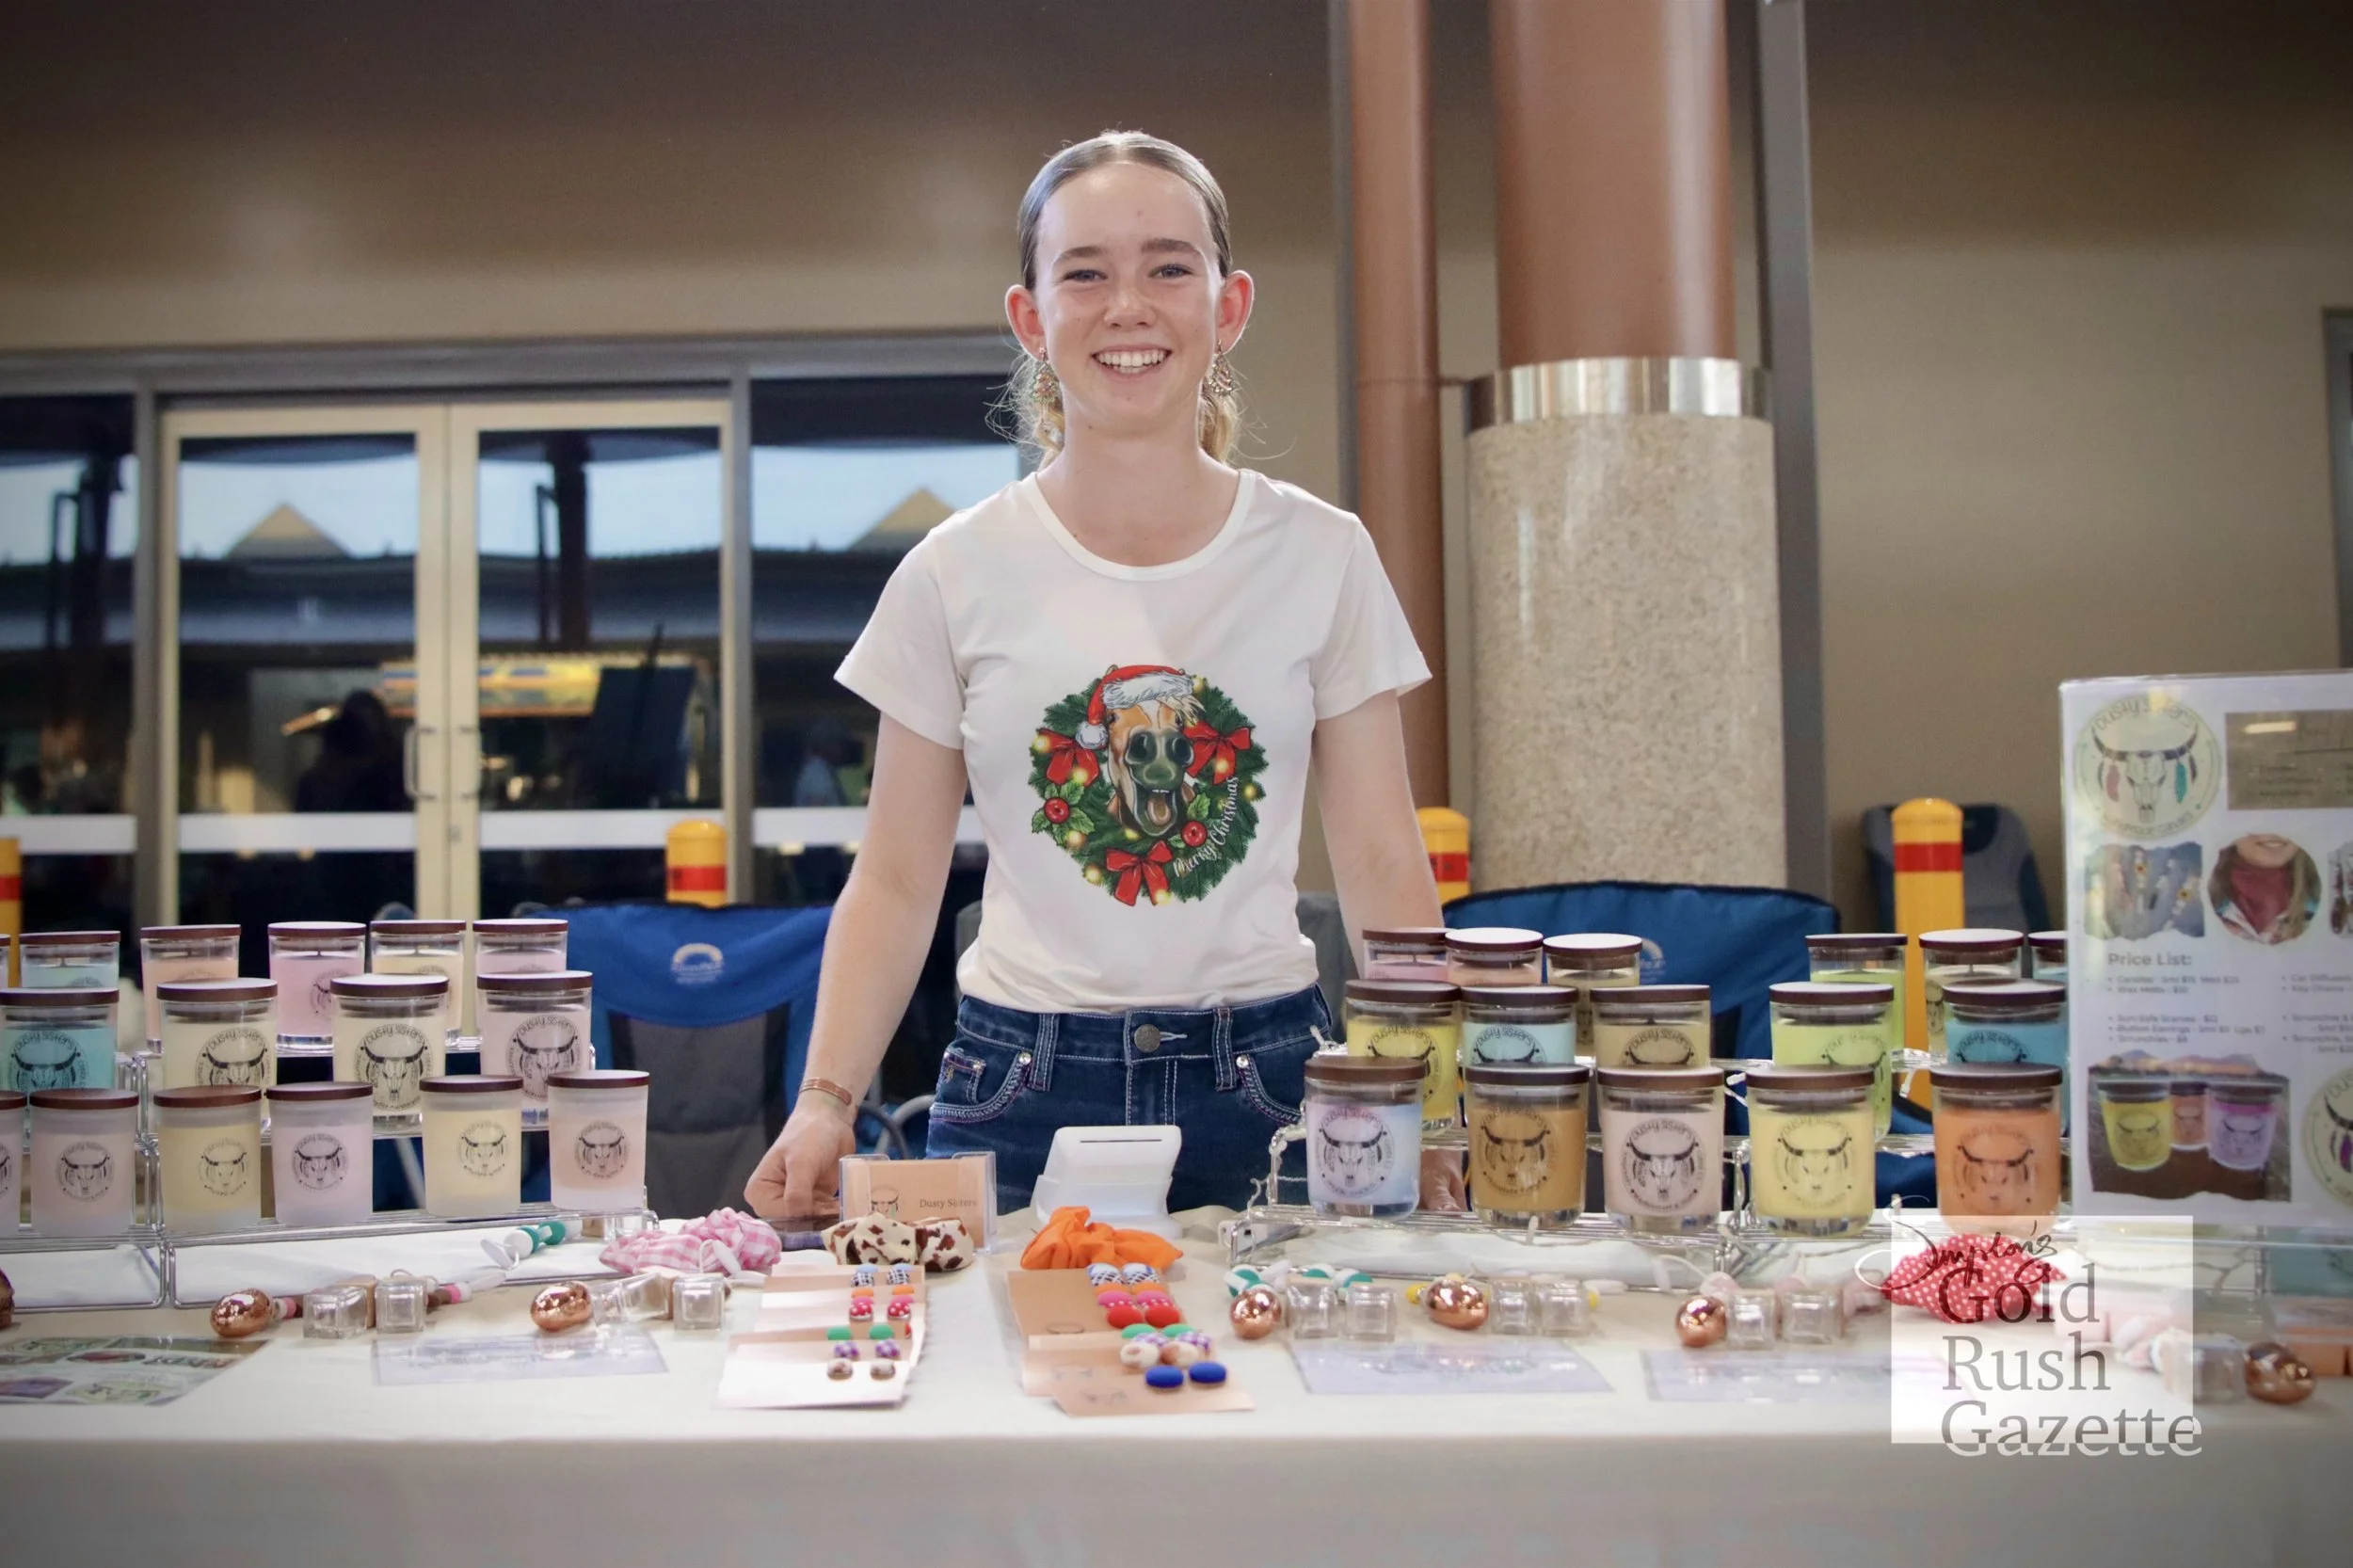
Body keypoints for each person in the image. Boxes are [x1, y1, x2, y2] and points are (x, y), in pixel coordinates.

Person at [744, 132, 1440, 1220]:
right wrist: (824, 1099)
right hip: (1017, 1086)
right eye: (1085, 272)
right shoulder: (951, 572)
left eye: (1169, 267)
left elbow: (1381, 856)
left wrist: (1427, 1103)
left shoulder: (1324, 553)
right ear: (1030, 317)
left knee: (1294, 1379)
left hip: (1271, 1082)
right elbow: (892, 879)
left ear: (1229, 305)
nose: (1130, 304)